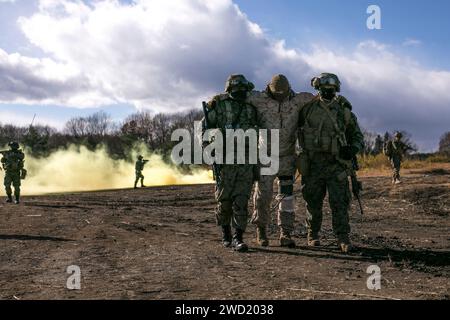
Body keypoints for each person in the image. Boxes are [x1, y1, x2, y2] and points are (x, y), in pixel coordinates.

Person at [298, 73, 364, 253]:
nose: (328, 91)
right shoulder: (307, 109)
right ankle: (313, 234)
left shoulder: (344, 111)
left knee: (340, 203)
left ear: (336, 89)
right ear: (318, 89)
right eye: (324, 88)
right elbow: (294, 130)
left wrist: (352, 149)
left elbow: (358, 137)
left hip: (337, 164)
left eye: (331, 89)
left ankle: (343, 237)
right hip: (313, 164)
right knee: (312, 202)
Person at [247, 74, 313, 247]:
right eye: (277, 94)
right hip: (266, 157)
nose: (280, 97)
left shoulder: (298, 100)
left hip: (287, 158)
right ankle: (261, 230)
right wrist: (215, 99)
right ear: (269, 88)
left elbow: (320, 98)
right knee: (263, 195)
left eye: (283, 94)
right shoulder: (258, 99)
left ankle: (286, 232)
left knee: (287, 197)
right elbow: (236, 94)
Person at [203, 74, 258, 252]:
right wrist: (209, 145)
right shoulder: (219, 107)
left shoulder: (251, 108)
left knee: (241, 200)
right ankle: (226, 233)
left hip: (246, 160)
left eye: (243, 90)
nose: (240, 93)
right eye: (236, 90)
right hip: (224, 161)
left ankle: (238, 237)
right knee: (224, 201)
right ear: (229, 90)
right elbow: (205, 129)